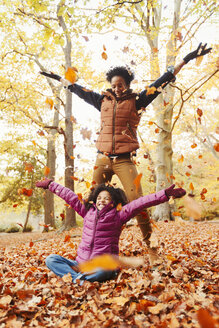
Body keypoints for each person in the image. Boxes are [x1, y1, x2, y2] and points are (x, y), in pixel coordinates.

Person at [40, 43, 211, 265]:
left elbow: (163, 80)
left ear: (127, 85)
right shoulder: (101, 101)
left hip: (124, 160)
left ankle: (151, 248)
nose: (117, 88)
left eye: (121, 84)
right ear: (110, 86)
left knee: (137, 202)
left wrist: (186, 59)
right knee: (92, 203)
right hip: (101, 159)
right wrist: (57, 77)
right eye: (114, 85)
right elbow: (77, 88)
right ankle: (92, 250)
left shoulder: (137, 101)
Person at [36, 177, 186, 284]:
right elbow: (70, 197)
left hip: (102, 265)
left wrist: (164, 195)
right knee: (51, 259)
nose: (101, 200)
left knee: (106, 271)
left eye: (106, 198)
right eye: (99, 197)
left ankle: (77, 279)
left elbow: (140, 203)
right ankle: (79, 279)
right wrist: (51, 184)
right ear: (95, 199)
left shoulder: (119, 215)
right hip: (81, 264)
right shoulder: (87, 212)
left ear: (114, 201)